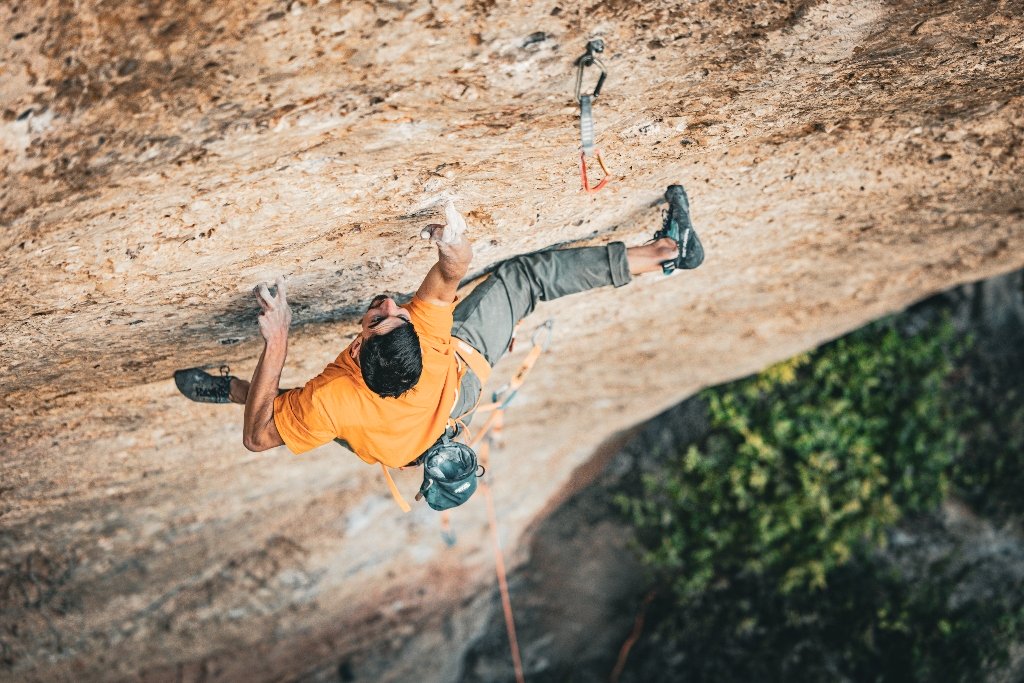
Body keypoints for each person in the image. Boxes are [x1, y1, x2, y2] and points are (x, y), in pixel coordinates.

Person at [174, 185, 703, 471]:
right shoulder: (418, 344)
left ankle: (667, 252)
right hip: (447, 401)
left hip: (392, 441)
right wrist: (454, 246)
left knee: (292, 410)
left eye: (385, 316)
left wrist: (279, 339)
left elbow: (257, 437)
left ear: (356, 351)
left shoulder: (336, 397)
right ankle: (667, 252)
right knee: (520, 283)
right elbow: (451, 274)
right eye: (391, 312)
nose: (387, 302)